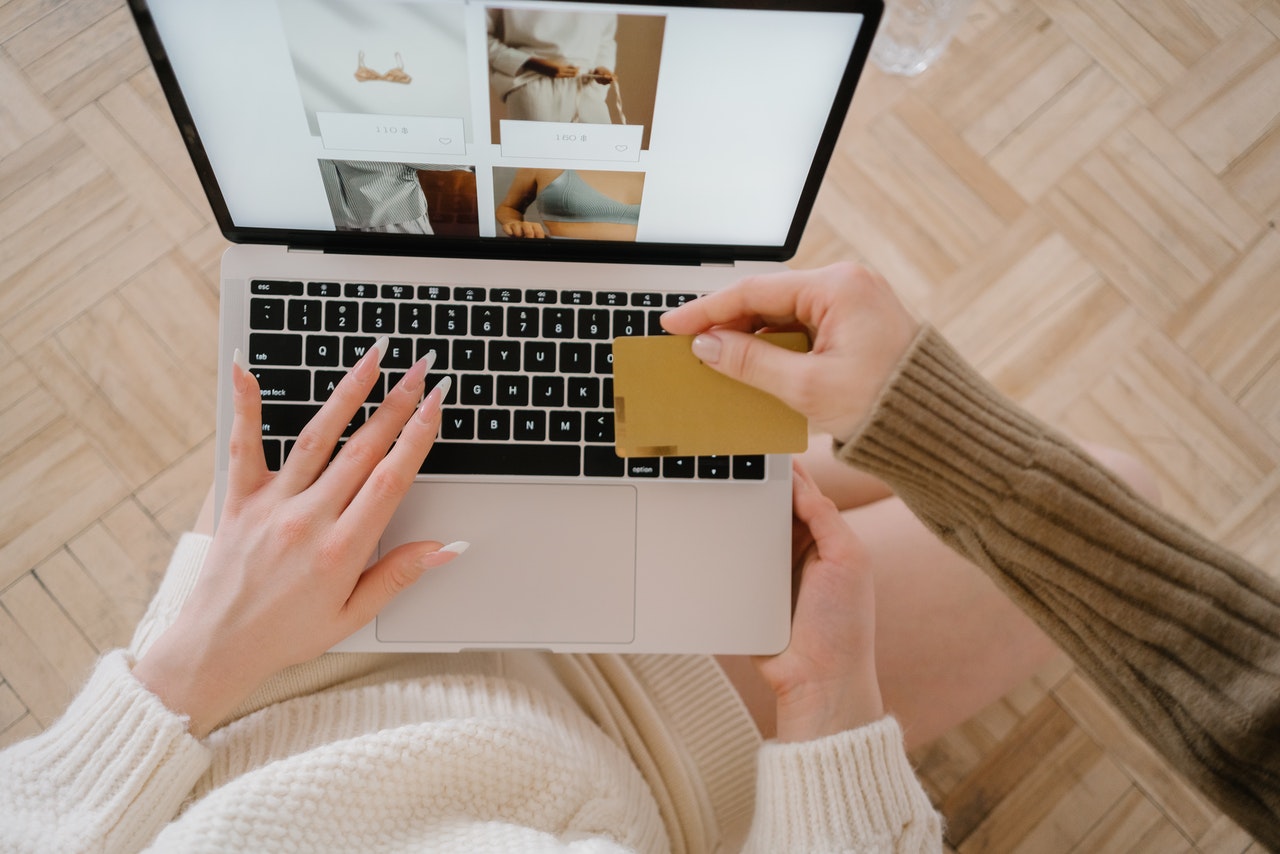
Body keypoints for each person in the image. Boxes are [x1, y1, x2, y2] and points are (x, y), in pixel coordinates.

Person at [1, 262, 1272, 850]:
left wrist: (181, 659)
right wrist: (827, 717)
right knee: (1121, 487)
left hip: (303, 636)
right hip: (667, 748)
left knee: (633, 331)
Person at [662, 263, 1280, 850]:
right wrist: (826, 694)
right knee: (1128, 481)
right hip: (652, 758)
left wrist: (912, 415)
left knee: (806, 472)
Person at [487, 8, 618, 124]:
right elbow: (480, 36)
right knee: (535, 150)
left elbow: (606, 39)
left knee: (600, 147)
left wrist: (602, 67)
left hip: (586, 82)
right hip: (532, 81)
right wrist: (529, 62)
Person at [497, 167, 642, 240]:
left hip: (642, 267)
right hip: (562, 265)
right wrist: (514, 223)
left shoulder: (657, 165)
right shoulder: (544, 163)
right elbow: (508, 207)